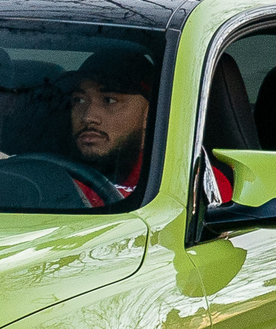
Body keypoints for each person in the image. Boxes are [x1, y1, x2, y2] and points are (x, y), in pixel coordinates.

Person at [63, 45, 229, 207]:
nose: (88, 117)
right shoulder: (45, 179)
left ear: (149, 115)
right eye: (79, 100)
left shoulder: (191, 182)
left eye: (109, 100)